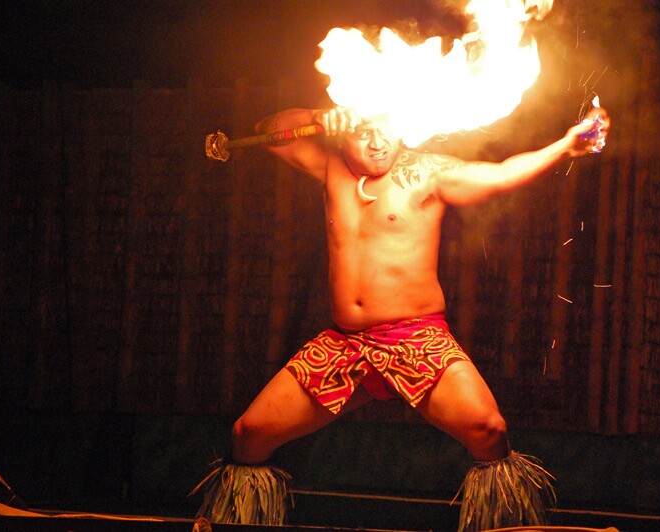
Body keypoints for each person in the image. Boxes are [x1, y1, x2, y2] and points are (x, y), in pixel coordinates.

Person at [195, 104, 610, 530]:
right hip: (345, 343)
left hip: (414, 337)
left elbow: (500, 174)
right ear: (341, 134)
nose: (377, 143)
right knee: (249, 434)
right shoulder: (328, 166)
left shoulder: (427, 173)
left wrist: (564, 146)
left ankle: (510, 526)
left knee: (489, 430)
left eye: (386, 130)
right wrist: (320, 113)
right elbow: (268, 129)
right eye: (363, 132)